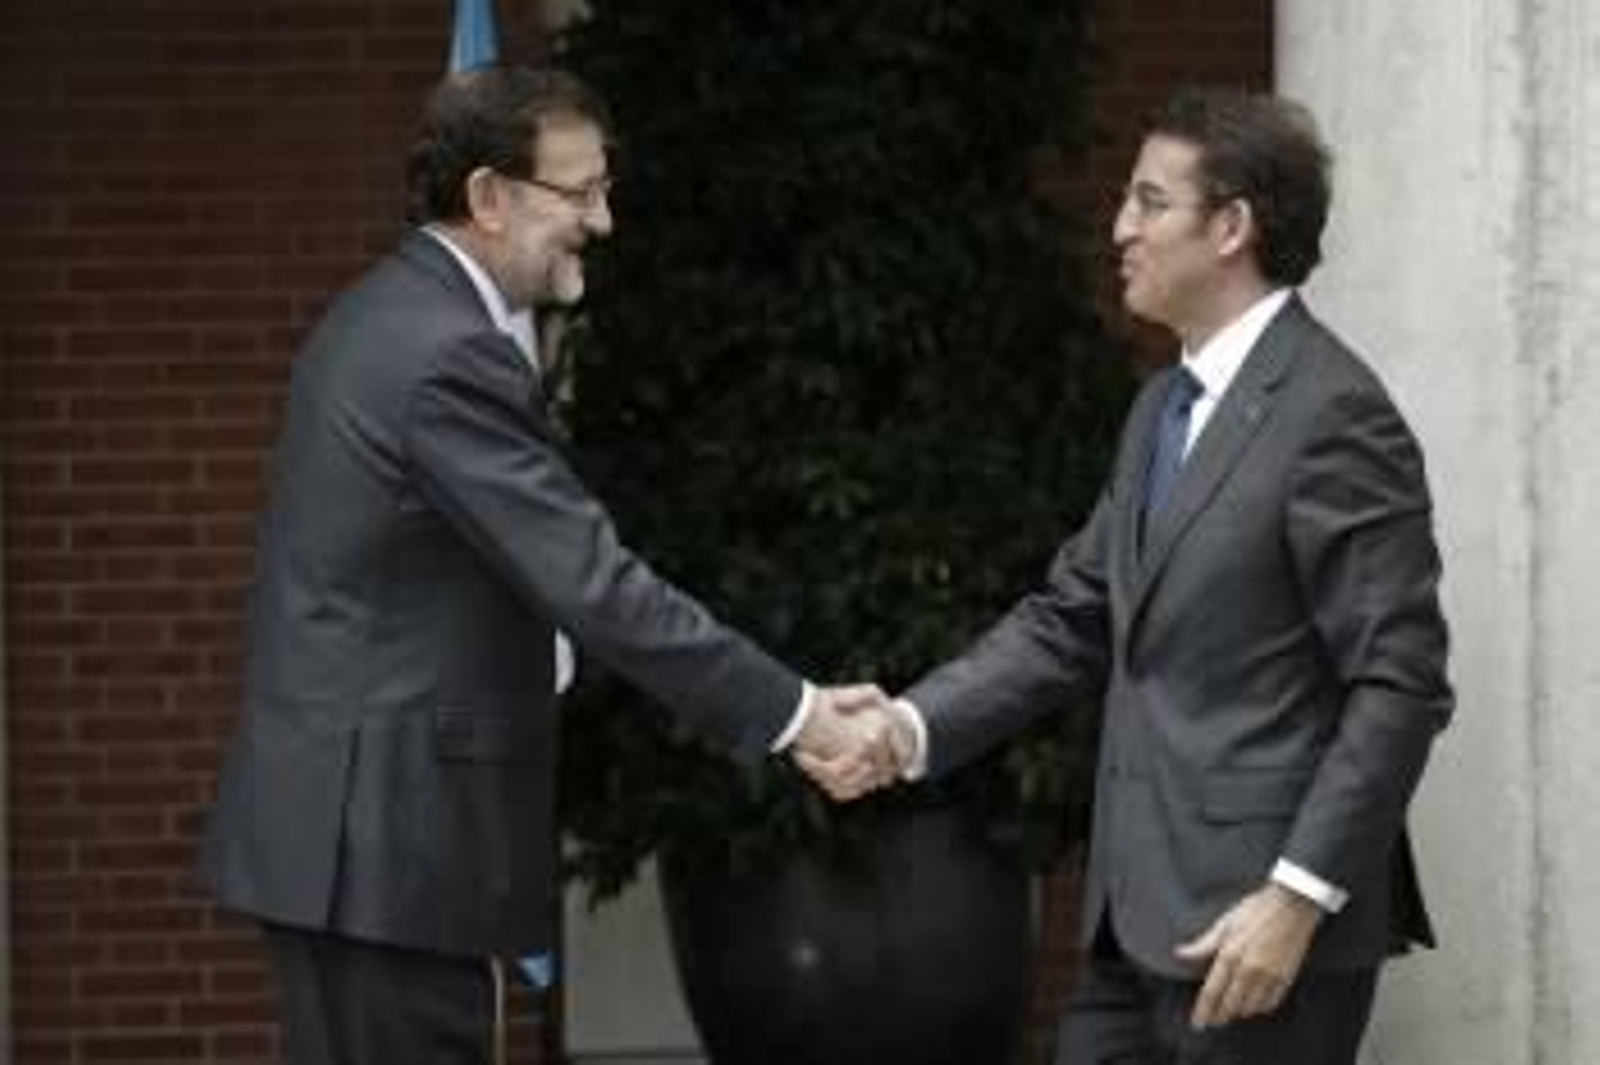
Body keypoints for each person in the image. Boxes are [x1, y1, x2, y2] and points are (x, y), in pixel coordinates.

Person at [198, 64, 893, 1065]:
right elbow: (597, 585)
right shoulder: (448, 354)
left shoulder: (385, 318)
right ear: (487, 196)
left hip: (356, 840)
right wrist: (799, 713)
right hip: (391, 846)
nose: (602, 222)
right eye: (581, 193)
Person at [806, 86, 1453, 1064]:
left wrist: (1296, 896)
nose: (1119, 228)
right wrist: (908, 727)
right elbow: (1076, 613)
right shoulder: (1160, 407)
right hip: (1129, 922)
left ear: (1231, 224)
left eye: (1149, 202)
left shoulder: (1334, 417)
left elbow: (1398, 683)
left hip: (1255, 938)